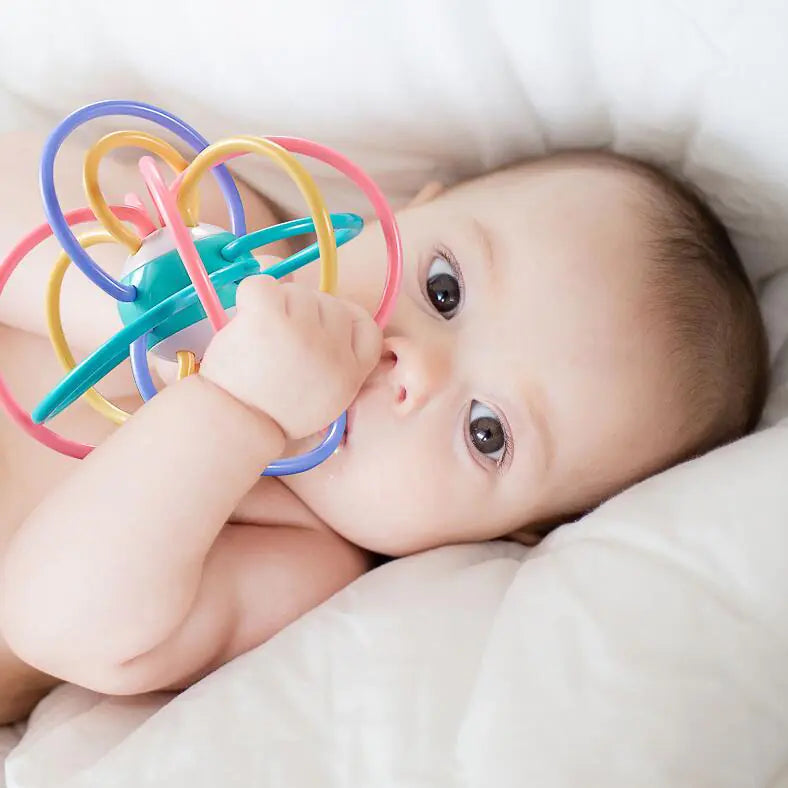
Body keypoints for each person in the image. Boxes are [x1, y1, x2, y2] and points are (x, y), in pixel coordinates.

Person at [0, 134, 769, 724]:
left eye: (488, 434)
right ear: (404, 212)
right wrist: (140, 301)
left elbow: (55, 621)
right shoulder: (231, 221)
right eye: (444, 289)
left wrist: (234, 409)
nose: (416, 369)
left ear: (512, 533)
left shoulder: (302, 564)